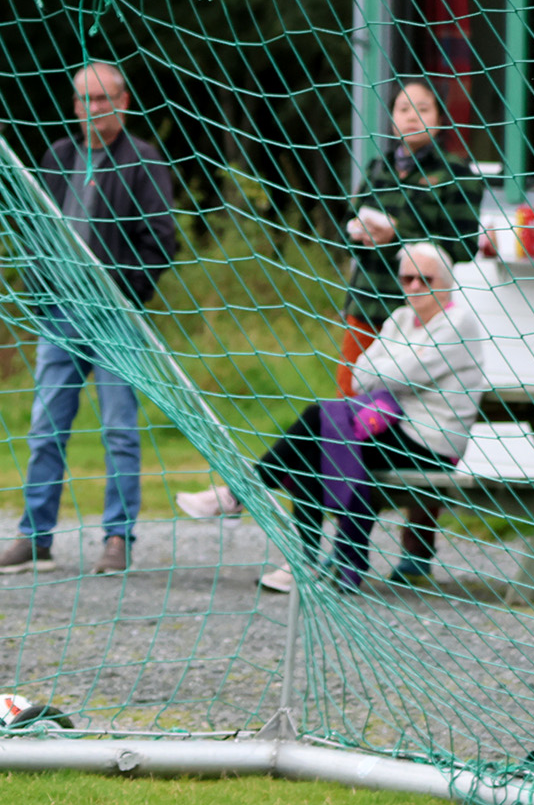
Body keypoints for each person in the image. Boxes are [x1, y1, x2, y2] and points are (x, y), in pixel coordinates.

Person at [175, 243, 485, 593]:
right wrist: (388, 368)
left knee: (317, 422)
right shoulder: (400, 319)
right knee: (311, 447)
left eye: (424, 279)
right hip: (395, 429)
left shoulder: (458, 322)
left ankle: (240, 499)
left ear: (445, 283)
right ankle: (299, 556)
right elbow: (359, 375)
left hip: (430, 445)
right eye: (407, 278)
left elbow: (395, 374)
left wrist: (387, 368)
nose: (413, 287)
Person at [0, 61, 176, 578]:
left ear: (124, 101)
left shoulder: (144, 159)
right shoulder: (58, 155)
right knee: (46, 429)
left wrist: (123, 297)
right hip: (60, 316)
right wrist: (41, 291)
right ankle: (35, 538)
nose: (92, 109)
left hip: (116, 321)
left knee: (119, 430)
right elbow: (37, 233)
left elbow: (161, 239)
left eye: (102, 99)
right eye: (83, 100)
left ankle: (117, 538)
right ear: (73, 105)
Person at [339, 80, 482, 580]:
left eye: (422, 107)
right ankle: (349, 542)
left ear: (438, 117)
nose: (412, 115)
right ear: (392, 117)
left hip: (421, 314)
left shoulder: (457, 173)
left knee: (423, 425)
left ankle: (417, 547)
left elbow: (462, 242)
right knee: (351, 419)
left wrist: (399, 232)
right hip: (367, 306)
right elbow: (345, 226)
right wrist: (360, 234)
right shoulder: (378, 168)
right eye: (403, 107)